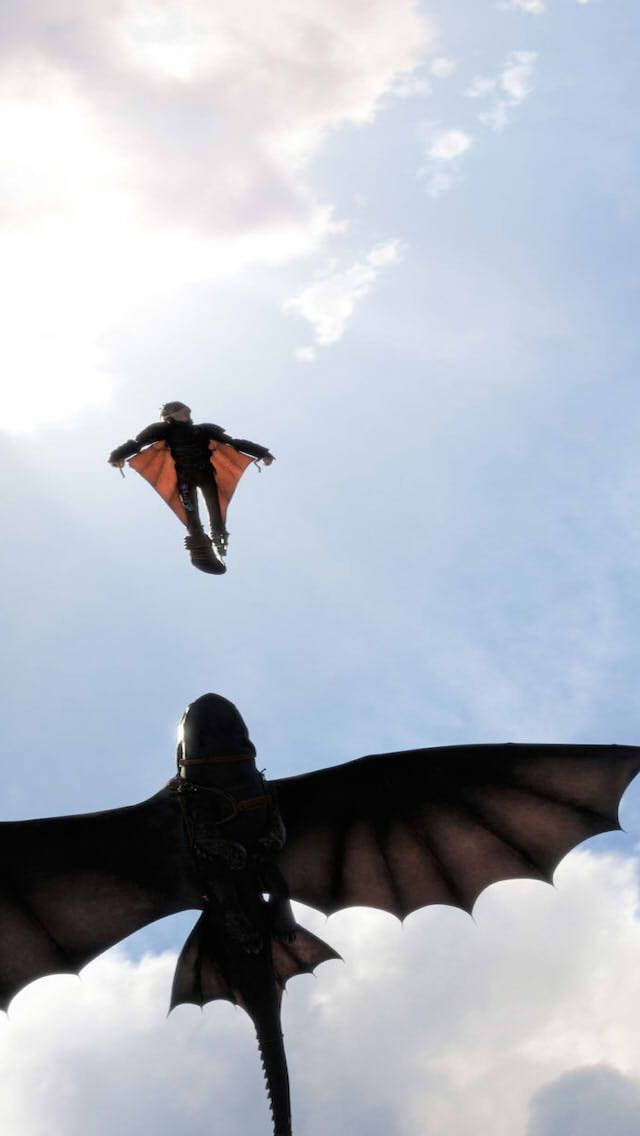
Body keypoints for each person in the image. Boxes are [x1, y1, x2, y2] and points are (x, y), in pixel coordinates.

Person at [108, 401, 274, 572]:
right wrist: (117, 456)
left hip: (206, 475)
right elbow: (137, 444)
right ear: (170, 415)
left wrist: (262, 453)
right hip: (185, 478)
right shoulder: (164, 430)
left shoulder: (203, 430)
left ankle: (219, 542)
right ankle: (200, 553)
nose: (188, 413)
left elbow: (233, 443)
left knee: (216, 513)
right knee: (192, 517)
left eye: (187, 411)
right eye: (184, 411)